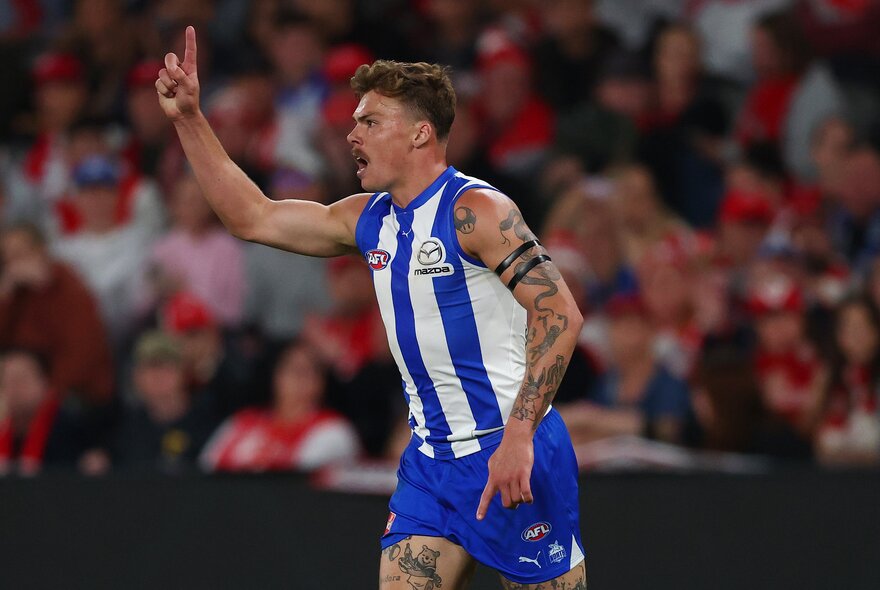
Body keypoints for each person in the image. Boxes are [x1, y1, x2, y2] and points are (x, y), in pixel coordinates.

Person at [156, 27, 586, 589]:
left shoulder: (477, 211)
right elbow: (253, 217)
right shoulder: (368, 219)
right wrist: (189, 117)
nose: (350, 132)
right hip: (430, 465)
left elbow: (560, 316)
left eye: (370, 121)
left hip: (511, 452)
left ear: (420, 134)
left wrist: (520, 438)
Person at [199, 339, 360, 472]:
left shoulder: (333, 431)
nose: (299, 379)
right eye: (293, 370)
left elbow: (298, 485)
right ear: (276, 376)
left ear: (321, 382)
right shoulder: (242, 422)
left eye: (308, 371)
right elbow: (205, 468)